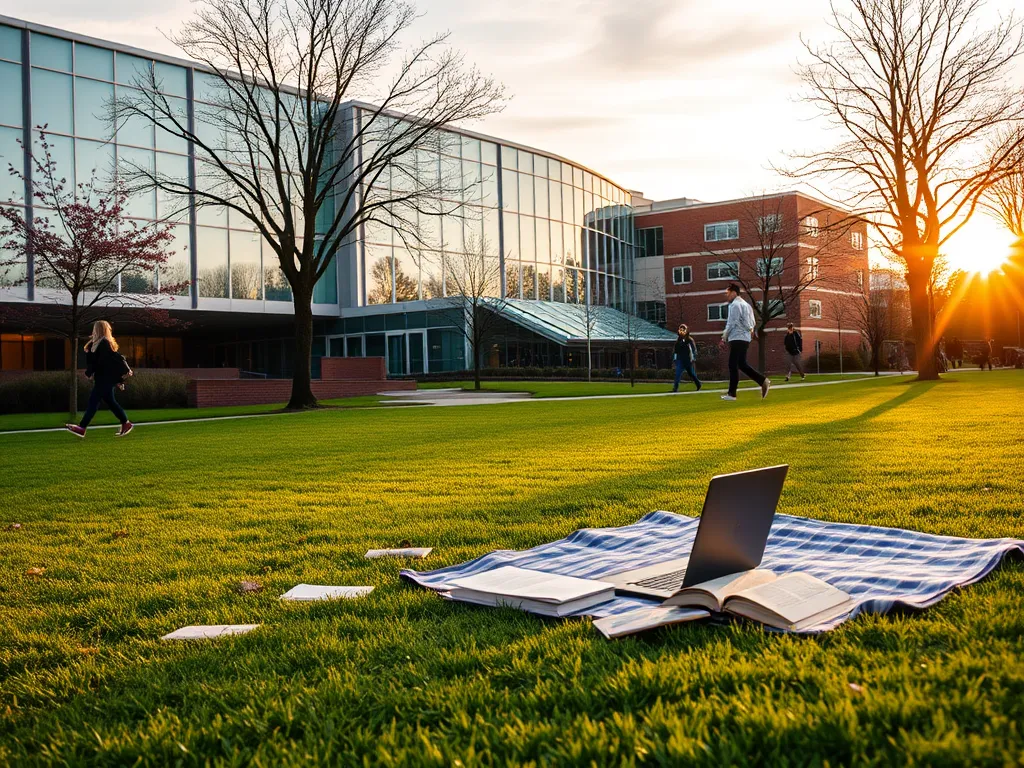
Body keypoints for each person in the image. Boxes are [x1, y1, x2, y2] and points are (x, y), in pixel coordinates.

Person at [65, 320, 134, 438]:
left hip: (105, 379)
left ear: (99, 329)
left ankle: (82, 427)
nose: (94, 330)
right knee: (111, 403)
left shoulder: (104, 343)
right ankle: (126, 423)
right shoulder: (94, 343)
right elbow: (94, 362)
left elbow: (104, 362)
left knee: (93, 401)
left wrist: (89, 372)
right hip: (101, 378)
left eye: (95, 328)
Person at [720, 283, 769, 402]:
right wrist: (750, 331)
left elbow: (732, 323)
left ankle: (732, 394)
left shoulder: (735, 305)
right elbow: (752, 323)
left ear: (734, 292)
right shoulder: (747, 305)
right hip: (745, 338)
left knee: (733, 365)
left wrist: (723, 338)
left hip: (736, 337)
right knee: (741, 364)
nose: (727, 296)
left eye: (728, 293)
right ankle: (762, 381)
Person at [672, 323, 702, 392]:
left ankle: (698, 384)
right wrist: (675, 359)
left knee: (691, 373)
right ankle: (675, 388)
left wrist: (693, 358)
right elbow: (675, 351)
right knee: (678, 373)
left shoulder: (689, 340)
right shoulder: (678, 341)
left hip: (688, 360)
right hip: (680, 360)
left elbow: (694, 350)